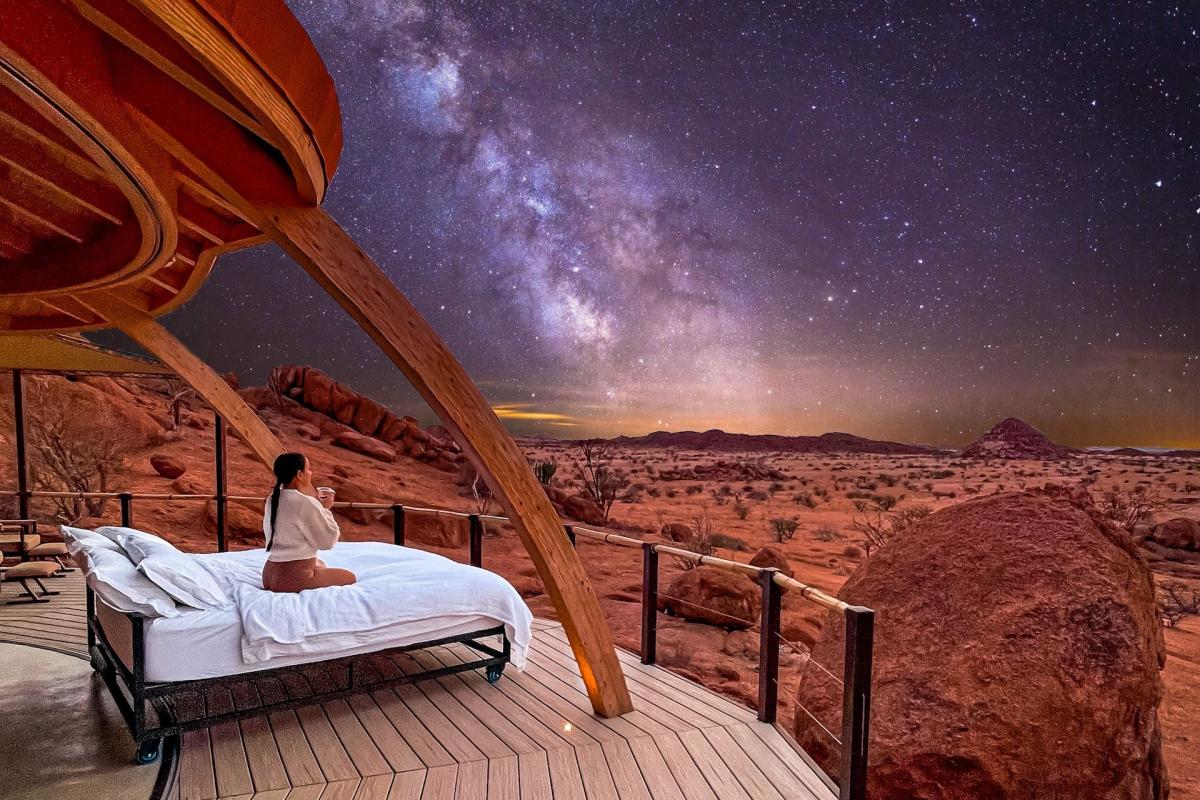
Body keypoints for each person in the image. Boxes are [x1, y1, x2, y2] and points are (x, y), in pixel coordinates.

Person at [261, 452, 356, 592]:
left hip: (269, 574)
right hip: (293, 577)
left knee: (321, 564)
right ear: (299, 474)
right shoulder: (305, 502)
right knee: (350, 577)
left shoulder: (273, 498)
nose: (310, 473)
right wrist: (325, 510)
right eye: (309, 469)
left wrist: (316, 506)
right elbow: (327, 541)